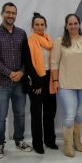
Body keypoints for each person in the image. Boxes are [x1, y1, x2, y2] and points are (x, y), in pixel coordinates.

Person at [0, 2, 33, 159]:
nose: (11, 15)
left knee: (20, 114)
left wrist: (21, 72)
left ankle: (19, 140)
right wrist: (9, 73)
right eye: (8, 12)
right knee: (0, 115)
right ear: (2, 14)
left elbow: (26, 57)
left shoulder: (21, 33)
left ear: (16, 15)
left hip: (19, 82)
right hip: (1, 82)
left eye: (13, 13)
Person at [51, 13, 82, 157]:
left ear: (79, 24)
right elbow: (54, 63)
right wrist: (55, 81)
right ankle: (67, 144)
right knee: (70, 115)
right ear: (66, 26)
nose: (73, 26)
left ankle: (77, 140)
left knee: (78, 115)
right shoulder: (60, 41)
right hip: (66, 85)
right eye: (70, 23)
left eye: (75, 23)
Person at [26, 12, 58, 154]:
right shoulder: (30, 41)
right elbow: (28, 64)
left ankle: (50, 141)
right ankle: (37, 143)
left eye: (42, 24)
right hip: (36, 80)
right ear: (33, 27)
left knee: (50, 112)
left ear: (45, 26)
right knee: (37, 113)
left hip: (49, 79)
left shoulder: (49, 41)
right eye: (37, 25)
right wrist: (36, 83)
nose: (40, 27)